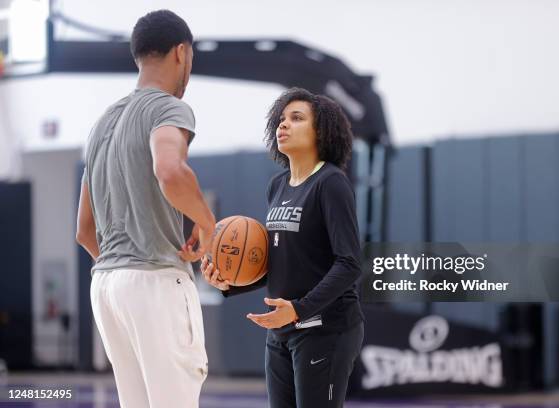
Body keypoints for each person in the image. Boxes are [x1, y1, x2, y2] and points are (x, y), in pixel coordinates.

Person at [76, 10, 214, 408]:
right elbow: (170, 170)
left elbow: (84, 230)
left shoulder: (100, 124)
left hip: (106, 286)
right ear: (182, 53)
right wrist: (208, 224)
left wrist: (123, 265)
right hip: (154, 282)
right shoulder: (167, 108)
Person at [203, 87, 364, 407]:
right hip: (281, 331)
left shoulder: (330, 182)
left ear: (321, 131)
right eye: (280, 119)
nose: (283, 124)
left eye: (296, 118)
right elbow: (280, 262)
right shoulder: (276, 185)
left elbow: (349, 263)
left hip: (324, 329)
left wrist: (299, 309)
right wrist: (228, 284)